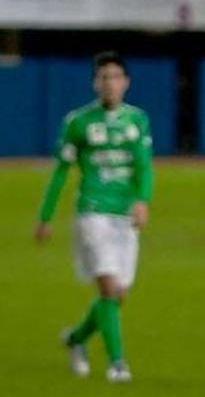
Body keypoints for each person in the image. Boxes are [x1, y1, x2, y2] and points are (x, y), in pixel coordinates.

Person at [34, 51, 153, 383]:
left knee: (118, 296)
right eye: (104, 78)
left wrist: (142, 201)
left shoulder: (137, 120)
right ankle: (118, 364)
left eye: (116, 77)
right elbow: (60, 172)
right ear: (95, 83)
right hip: (92, 213)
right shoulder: (78, 122)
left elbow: (143, 167)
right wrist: (45, 217)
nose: (110, 84)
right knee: (109, 288)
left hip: (124, 215)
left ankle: (75, 339)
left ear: (126, 82)